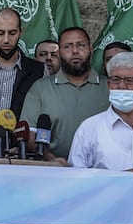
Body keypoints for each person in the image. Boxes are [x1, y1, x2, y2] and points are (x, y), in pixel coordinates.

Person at [19, 27, 110, 164]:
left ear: (91, 49)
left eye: (81, 45)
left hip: (103, 172)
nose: (75, 51)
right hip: (56, 173)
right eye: (67, 46)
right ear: (59, 53)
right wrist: (51, 159)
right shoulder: (41, 88)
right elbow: (30, 135)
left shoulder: (110, 87)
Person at [68, 52, 133, 172]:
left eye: (130, 80)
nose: (121, 86)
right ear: (109, 85)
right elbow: (76, 178)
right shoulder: (89, 128)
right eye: (116, 79)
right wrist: (119, 180)